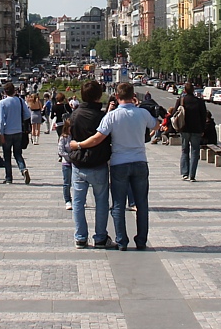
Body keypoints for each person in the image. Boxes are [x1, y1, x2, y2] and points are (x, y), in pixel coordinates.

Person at [76, 81, 155, 251]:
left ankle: (122, 241)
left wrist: (79, 145)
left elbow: (98, 138)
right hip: (140, 161)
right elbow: (156, 125)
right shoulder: (143, 113)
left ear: (117, 96)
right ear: (133, 96)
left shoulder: (111, 116)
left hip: (119, 163)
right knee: (142, 203)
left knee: (118, 204)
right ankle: (141, 240)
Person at [66, 81, 113, 249]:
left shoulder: (74, 115)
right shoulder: (102, 116)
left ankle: (80, 237)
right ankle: (100, 237)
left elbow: (68, 135)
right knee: (101, 202)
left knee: (78, 202)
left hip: (78, 163)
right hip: (98, 163)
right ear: (98, 96)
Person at [0, 82, 31, 184]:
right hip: (18, 130)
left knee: (7, 155)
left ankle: (8, 178)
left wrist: (1, 133)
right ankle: (23, 169)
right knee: (18, 154)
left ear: (4, 92)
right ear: (14, 91)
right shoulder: (20, 101)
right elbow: (28, 114)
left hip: (7, 132)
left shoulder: (2, 103)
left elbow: (1, 120)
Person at [177, 83, 208, 181]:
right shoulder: (199, 102)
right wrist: (203, 129)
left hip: (184, 129)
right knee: (195, 152)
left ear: (184, 90)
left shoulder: (181, 100)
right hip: (196, 129)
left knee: (184, 150)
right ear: (193, 90)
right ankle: (192, 175)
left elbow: (175, 114)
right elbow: (204, 117)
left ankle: (185, 173)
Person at [57, 121, 73, 210]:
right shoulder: (63, 137)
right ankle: (67, 200)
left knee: (77, 183)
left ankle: (78, 199)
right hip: (66, 163)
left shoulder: (76, 136)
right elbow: (60, 151)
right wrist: (70, 156)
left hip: (76, 163)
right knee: (67, 183)